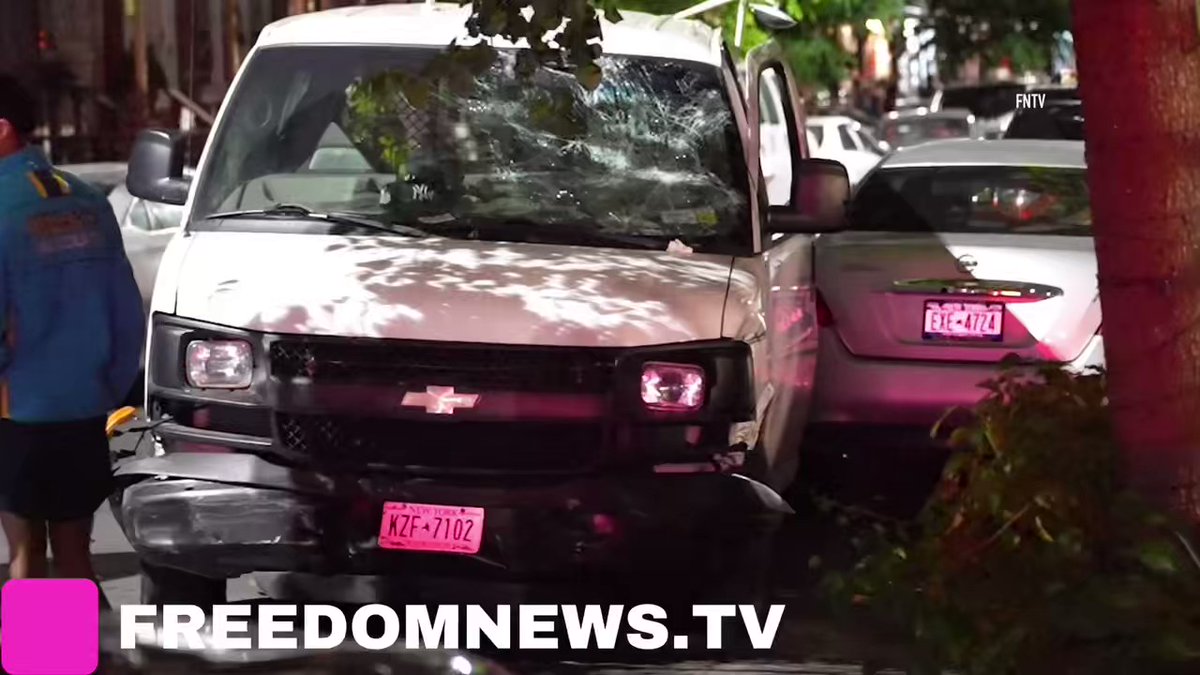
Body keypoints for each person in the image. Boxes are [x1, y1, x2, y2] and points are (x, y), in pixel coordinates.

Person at [0, 74, 144, 598]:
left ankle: (45, 662)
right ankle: (82, 660)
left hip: (18, 409)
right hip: (84, 406)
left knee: (26, 555)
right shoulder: (86, 199)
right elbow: (127, 308)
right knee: (75, 550)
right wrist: (109, 385)